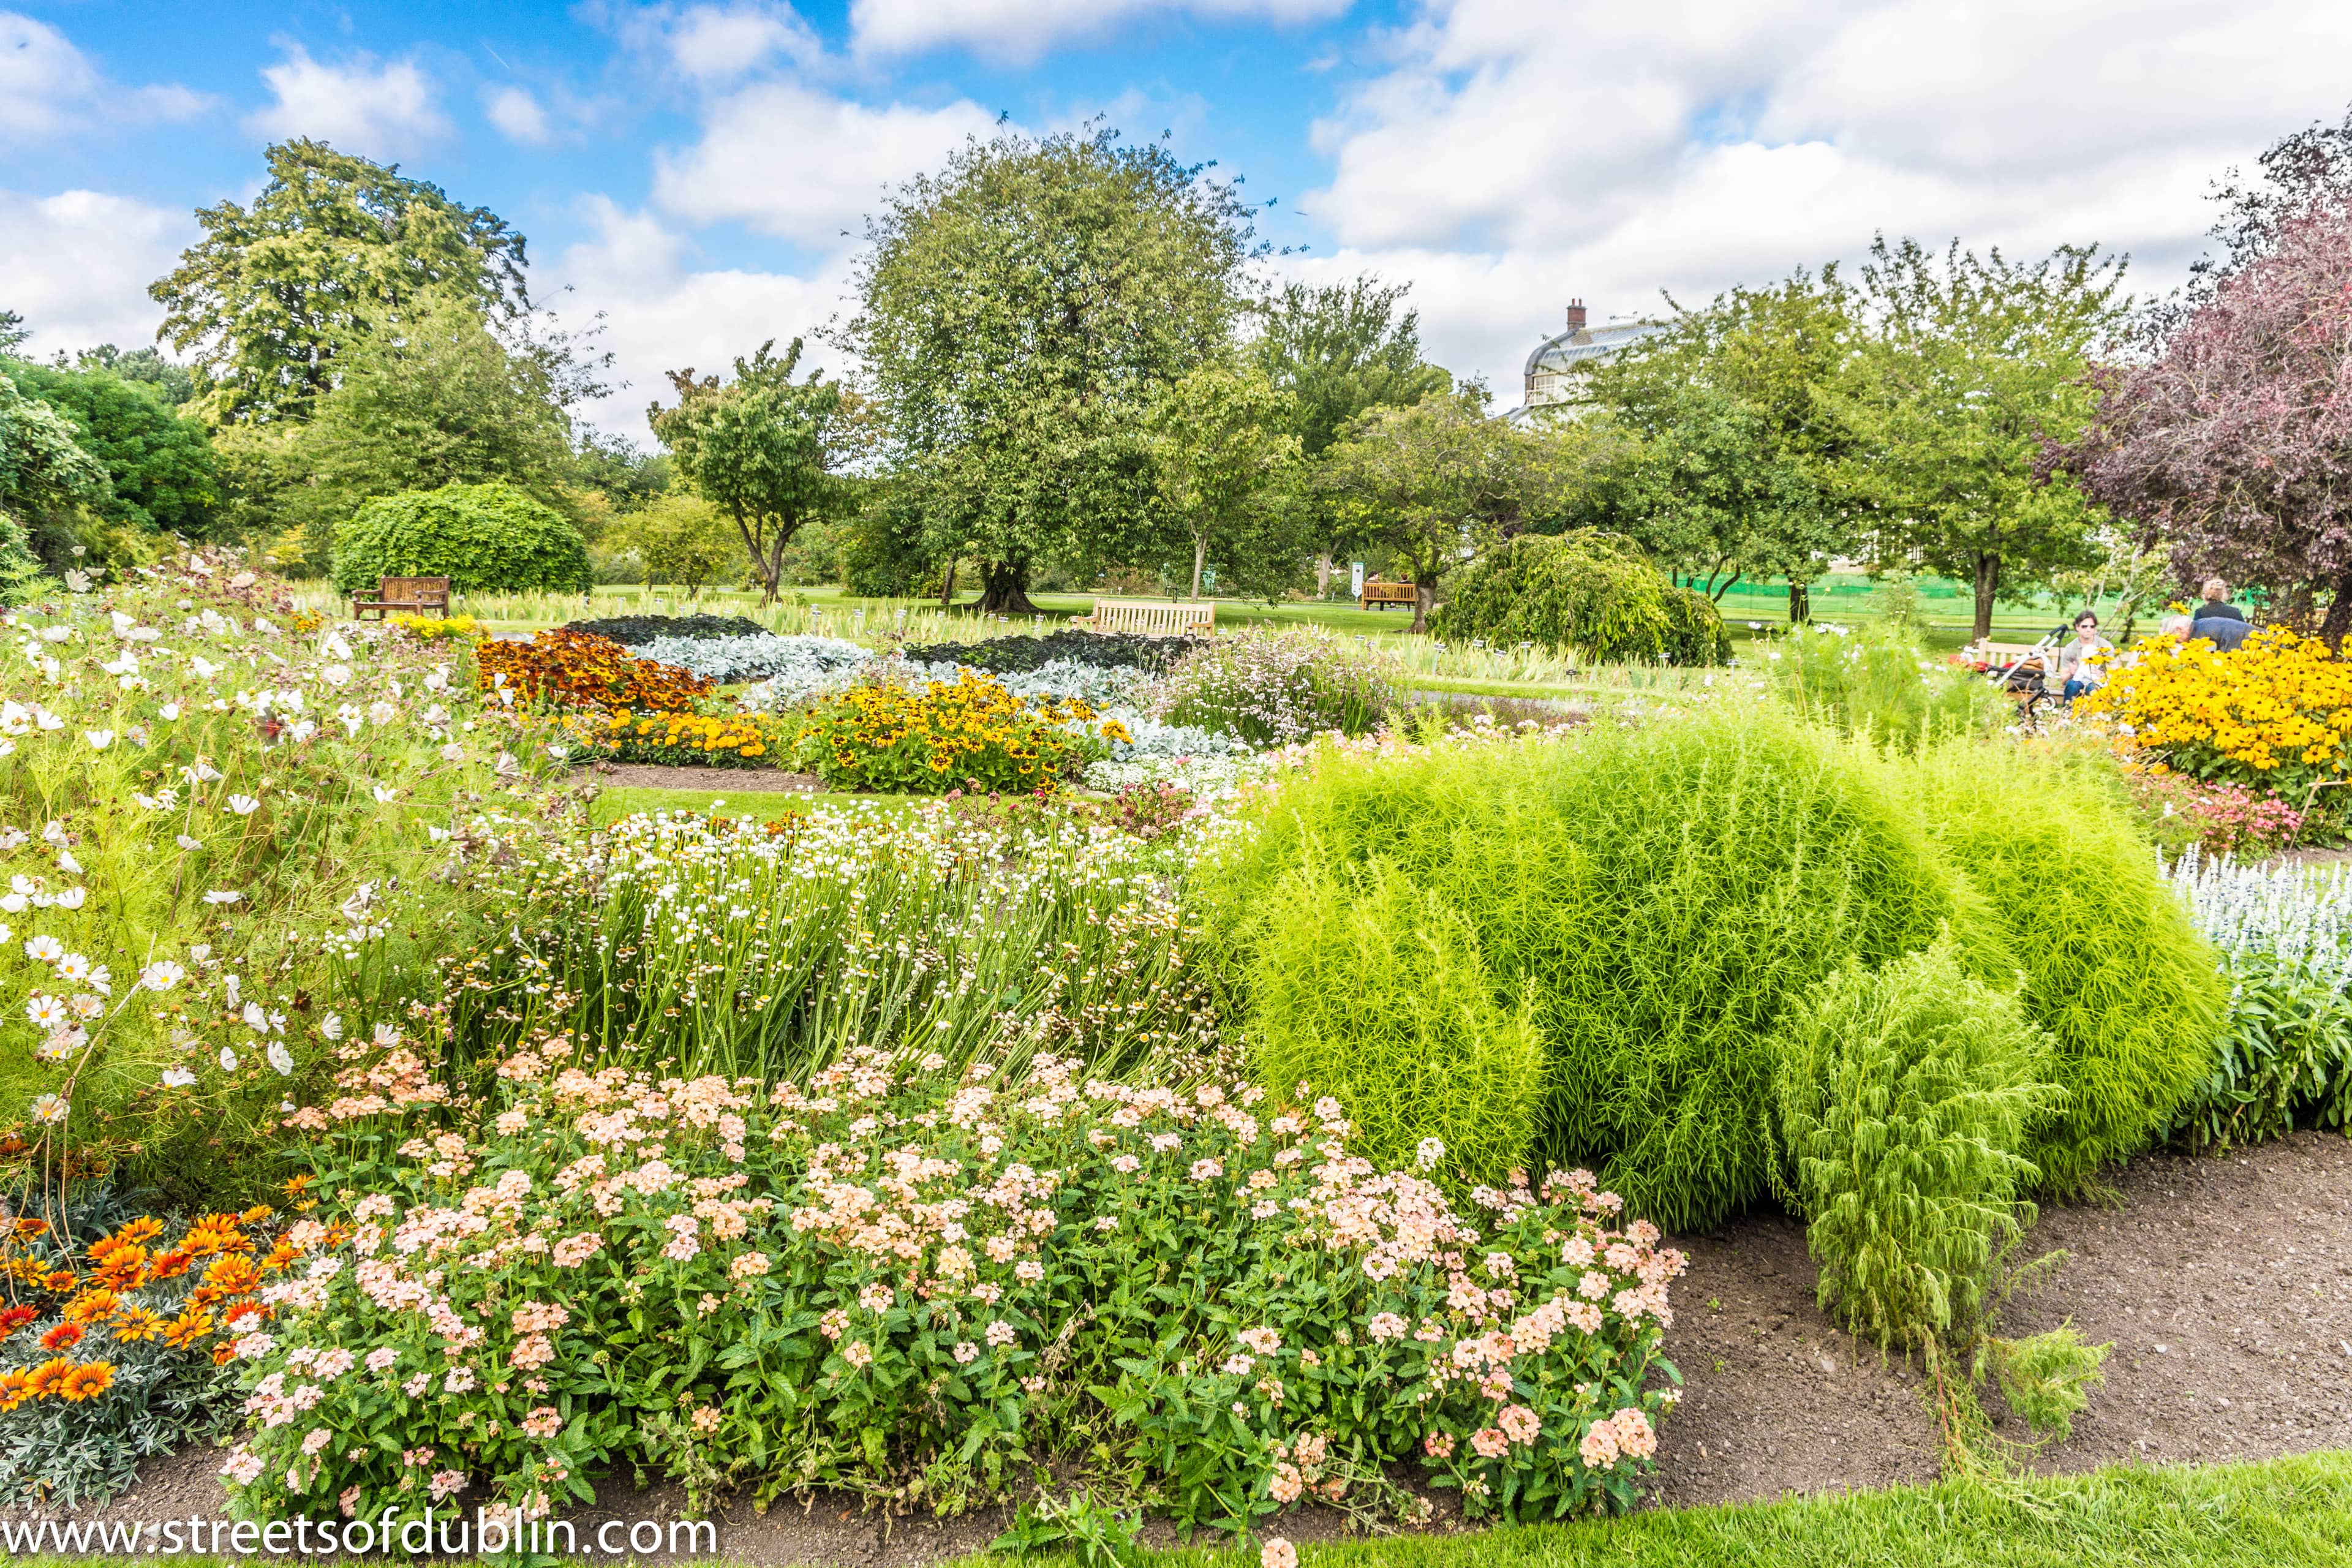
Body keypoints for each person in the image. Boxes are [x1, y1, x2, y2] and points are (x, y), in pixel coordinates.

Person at [2051, 611, 2113, 701]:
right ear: (2077, 627)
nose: (2088, 629)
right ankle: (2068, 713)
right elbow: (2063, 681)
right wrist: (2071, 673)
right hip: (2077, 682)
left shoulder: (2104, 646)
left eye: (2092, 627)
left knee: (2093, 687)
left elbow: (2116, 671)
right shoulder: (2071, 648)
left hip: (2098, 682)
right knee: (2072, 685)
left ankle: (2094, 715)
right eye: (2084, 626)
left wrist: (2105, 675)